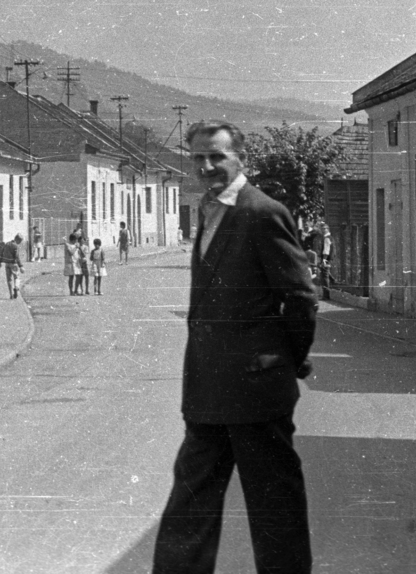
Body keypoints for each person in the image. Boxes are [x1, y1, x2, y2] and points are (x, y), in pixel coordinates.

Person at [153, 122, 317, 574]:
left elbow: (300, 297)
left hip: (256, 391)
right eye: (198, 159)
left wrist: (284, 359)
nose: (207, 167)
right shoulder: (208, 210)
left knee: (273, 508)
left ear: (240, 158)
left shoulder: (263, 212)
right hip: (207, 391)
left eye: (217, 157)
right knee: (189, 506)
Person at [2, 234, 25, 298]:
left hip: (7, 264)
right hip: (13, 264)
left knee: (9, 279)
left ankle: (10, 294)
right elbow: (17, 257)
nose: (20, 243)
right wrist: (21, 266)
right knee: (16, 277)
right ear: (17, 240)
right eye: (20, 241)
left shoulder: (7, 244)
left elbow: (3, 253)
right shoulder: (15, 246)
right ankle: (16, 287)